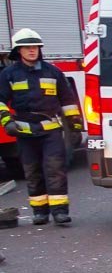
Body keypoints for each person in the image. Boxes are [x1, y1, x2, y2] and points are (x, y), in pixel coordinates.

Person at [0, 29, 83, 226]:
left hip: (51, 129)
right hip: (24, 130)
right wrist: (7, 122)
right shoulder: (9, 74)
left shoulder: (52, 72)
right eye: (27, 47)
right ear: (18, 50)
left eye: (35, 47)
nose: (32, 51)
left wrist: (75, 123)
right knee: (32, 171)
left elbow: (67, 99)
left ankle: (60, 211)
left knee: (55, 169)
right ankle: (40, 212)